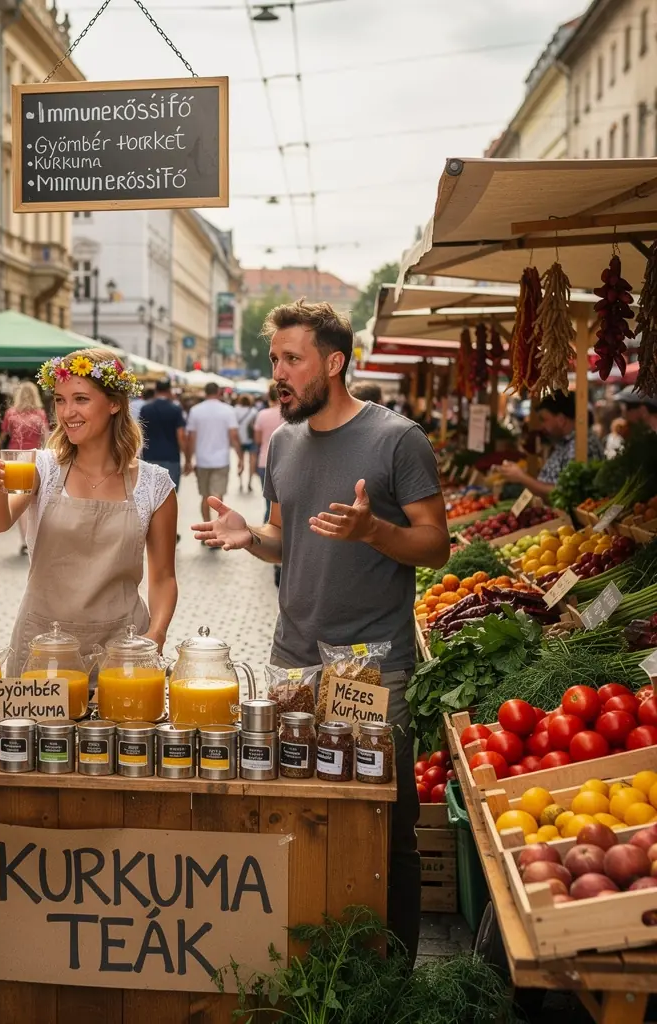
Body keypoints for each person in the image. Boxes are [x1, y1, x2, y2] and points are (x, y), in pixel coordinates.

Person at [192, 299, 449, 962]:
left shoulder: (397, 439)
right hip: (293, 663)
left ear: (334, 363)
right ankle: (314, 961)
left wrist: (375, 530)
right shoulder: (281, 441)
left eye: (291, 359)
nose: (277, 372)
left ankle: (391, 977)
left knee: (383, 824)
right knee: (299, 810)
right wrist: (249, 536)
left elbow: (436, 545)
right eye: (274, 358)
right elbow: (284, 539)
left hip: (372, 668)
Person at [0, 348, 178, 665]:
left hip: (124, 649)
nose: (67, 412)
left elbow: (163, 577)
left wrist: (157, 634)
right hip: (43, 647)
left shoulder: (154, 485)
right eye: (60, 400)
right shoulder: (41, 468)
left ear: (114, 403)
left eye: (81, 399)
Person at [496, 392, 605, 498]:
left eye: (544, 420)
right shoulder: (564, 443)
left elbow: (565, 493)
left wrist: (521, 477)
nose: (541, 426)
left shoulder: (580, 445)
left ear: (561, 420)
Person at [1, 381, 51, 554]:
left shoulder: (11, 413)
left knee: (18, 501)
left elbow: (5, 433)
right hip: (34, 458)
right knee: (35, 501)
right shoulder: (40, 414)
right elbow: (46, 437)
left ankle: (24, 541)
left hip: (14, 458)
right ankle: (34, 537)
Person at [184, 382, 241, 529]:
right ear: (219, 392)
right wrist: (240, 457)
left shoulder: (195, 411)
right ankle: (218, 528)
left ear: (205, 392)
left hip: (202, 460)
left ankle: (207, 528)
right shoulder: (228, 410)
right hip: (221, 460)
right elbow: (234, 436)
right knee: (218, 496)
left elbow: (191, 437)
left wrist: (188, 460)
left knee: (205, 497)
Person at [139, 377, 186, 490]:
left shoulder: (146, 409)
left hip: (149, 457)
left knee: (150, 493)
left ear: (156, 390)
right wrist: (187, 458)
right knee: (170, 494)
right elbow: (181, 435)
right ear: (169, 390)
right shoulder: (175, 409)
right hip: (171, 458)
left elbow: (140, 432)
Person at [253, 385, 282, 523]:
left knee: (269, 503)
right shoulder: (291, 414)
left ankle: (268, 527)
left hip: (264, 461)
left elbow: (257, 440)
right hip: (286, 463)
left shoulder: (262, 414)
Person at [234, 395, 258, 492]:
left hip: (239, 440)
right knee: (252, 462)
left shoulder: (235, 410)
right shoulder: (254, 411)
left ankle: (240, 483)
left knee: (240, 461)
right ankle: (249, 483)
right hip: (251, 439)